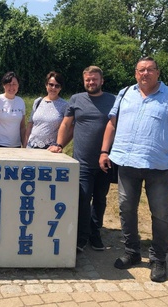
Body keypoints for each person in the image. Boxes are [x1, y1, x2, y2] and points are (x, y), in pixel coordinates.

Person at [99, 57, 168, 282]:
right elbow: (112, 123)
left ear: (158, 72)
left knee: (160, 213)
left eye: (149, 70)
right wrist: (103, 151)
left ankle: (158, 259)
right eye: (141, 70)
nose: (145, 74)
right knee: (126, 209)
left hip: (158, 165)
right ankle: (132, 252)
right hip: (127, 163)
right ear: (135, 73)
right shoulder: (125, 92)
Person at [49, 66, 116, 252]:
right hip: (82, 161)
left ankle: (96, 234)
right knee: (83, 198)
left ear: (102, 80)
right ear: (83, 81)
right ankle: (81, 237)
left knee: (100, 199)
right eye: (88, 80)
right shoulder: (76, 99)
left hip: (105, 161)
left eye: (94, 79)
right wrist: (59, 145)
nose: (91, 83)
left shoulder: (113, 100)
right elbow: (66, 123)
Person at [24, 71, 68, 149]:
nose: (53, 88)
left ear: (60, 88)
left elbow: (68, 128)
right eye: (51, 85)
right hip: (31, 146)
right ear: (46, 85)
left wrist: (59, 146)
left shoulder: (65, 105)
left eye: (57, 86)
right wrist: (25, 145)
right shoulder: (38, 101)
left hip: (49, 149)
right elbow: (30, 125)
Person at [0, 71, 26, 147]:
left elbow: (22, 127)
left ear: (18, 85)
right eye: (8, 84)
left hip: (16, 146)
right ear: (4, 86)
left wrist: (24, 145)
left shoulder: (21, 101)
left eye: (14, 84)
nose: (11, 87)